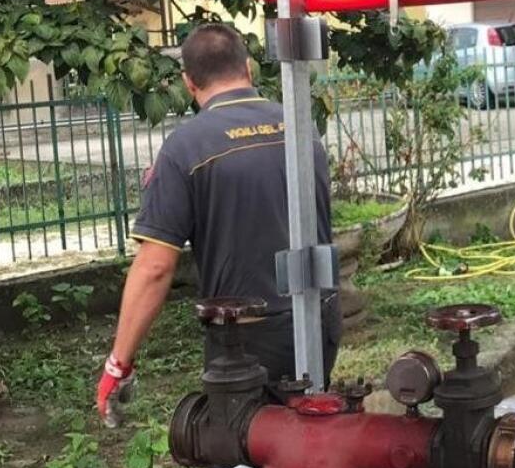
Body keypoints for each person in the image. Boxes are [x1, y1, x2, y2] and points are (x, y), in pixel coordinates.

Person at [97, 23, 339, 426]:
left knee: (243, 461)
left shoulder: (187, 146)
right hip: (320, 318)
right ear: (248, 68)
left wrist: (118, 363)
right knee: (307, 446)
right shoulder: (299, 125)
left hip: (248, 339)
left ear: (189, 83)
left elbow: (155, 267)